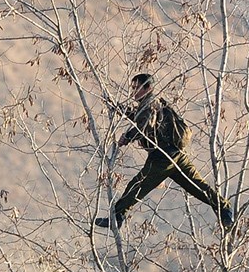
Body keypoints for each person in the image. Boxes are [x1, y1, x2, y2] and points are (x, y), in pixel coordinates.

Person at [95, 73, 235, 231]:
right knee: (198, 187)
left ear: (148, 88)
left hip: (162, 157)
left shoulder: (149, 104)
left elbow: (144, 125)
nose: (133, 92)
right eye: (132, 88)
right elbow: (139, 117)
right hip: (177, 155)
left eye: (137, 88)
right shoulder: (156, 103)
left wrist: (127, 137)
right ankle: (225, 210)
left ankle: (117, 216)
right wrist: (118, 108)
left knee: (137, 185)